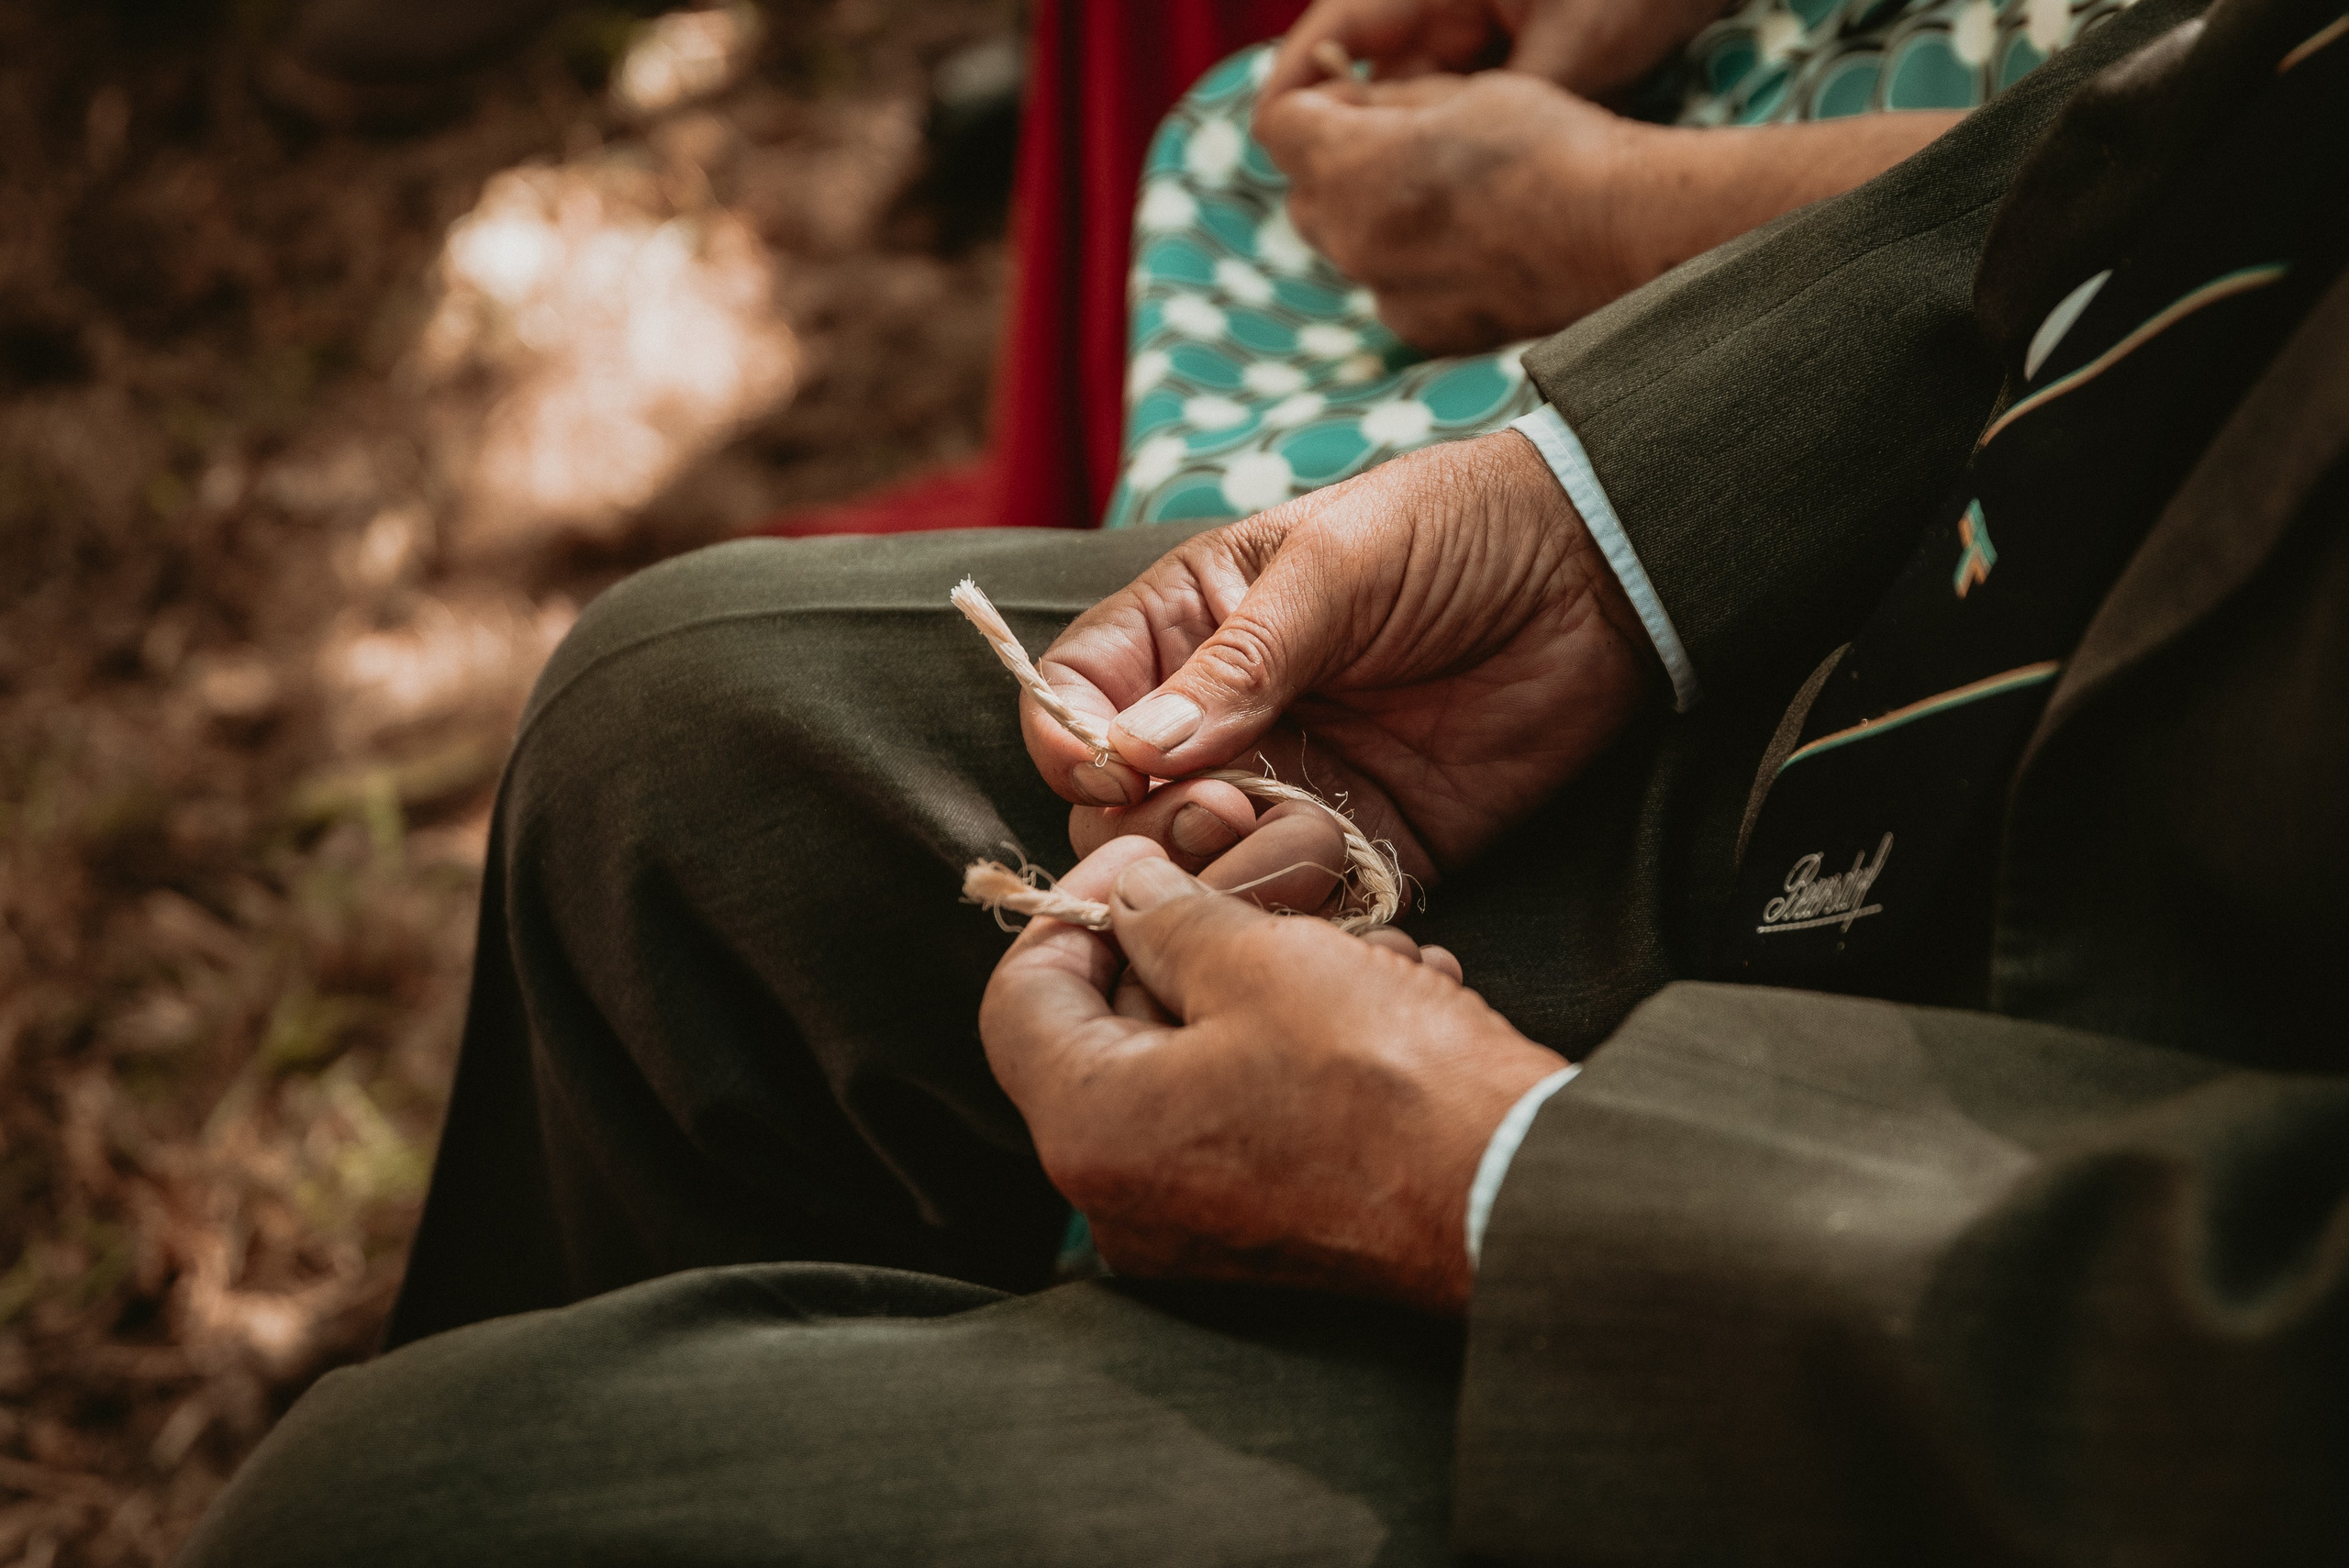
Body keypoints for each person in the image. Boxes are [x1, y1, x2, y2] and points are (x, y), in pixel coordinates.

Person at [178, 0, 2349, 1562]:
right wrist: (1602, 524)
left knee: (397, 1519)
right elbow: (2234, 103)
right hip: (1972, 682)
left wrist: (1500, 1189)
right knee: (687, 732)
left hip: (2012, 1305)